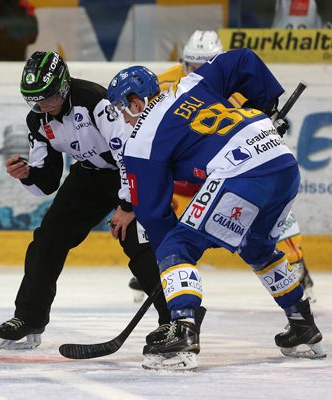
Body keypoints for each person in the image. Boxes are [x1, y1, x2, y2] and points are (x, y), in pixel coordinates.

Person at [107, 48, 325, 370]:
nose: (123, 119)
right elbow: (243, 59)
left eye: (121, 110)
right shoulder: (189, 85)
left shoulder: (140, 141)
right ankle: (302, 324)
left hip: (241, 173)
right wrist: (265, 107)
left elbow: (154, 215)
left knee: (176, 245)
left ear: (135, 102)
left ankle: (183, 330)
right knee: (258, 247)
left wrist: (171, 264)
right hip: (281, 162)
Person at [0, 50, 172, 350]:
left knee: (137, 242)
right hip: (89, 175)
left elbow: (127, 153)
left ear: (64, 85)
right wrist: (27, 174)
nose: (43, 106)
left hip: (130, 170)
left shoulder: (94, 100)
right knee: (48, 239)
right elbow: (47, 182)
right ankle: (29, 317)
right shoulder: (38, 119)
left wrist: (128, 206)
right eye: (35, 100)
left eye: (48, 97)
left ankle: (173, 320)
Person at [129, 30, 316, 304]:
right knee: (154, 209)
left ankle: (295, 260)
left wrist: (267, 116)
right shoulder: (166, 83)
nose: (196, 69)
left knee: (264, 203)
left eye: (203, 63)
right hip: (188, 174)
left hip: (226, 169)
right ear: (183, 62)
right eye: (191, 64)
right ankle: (163, 266)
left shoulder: (227, 84)